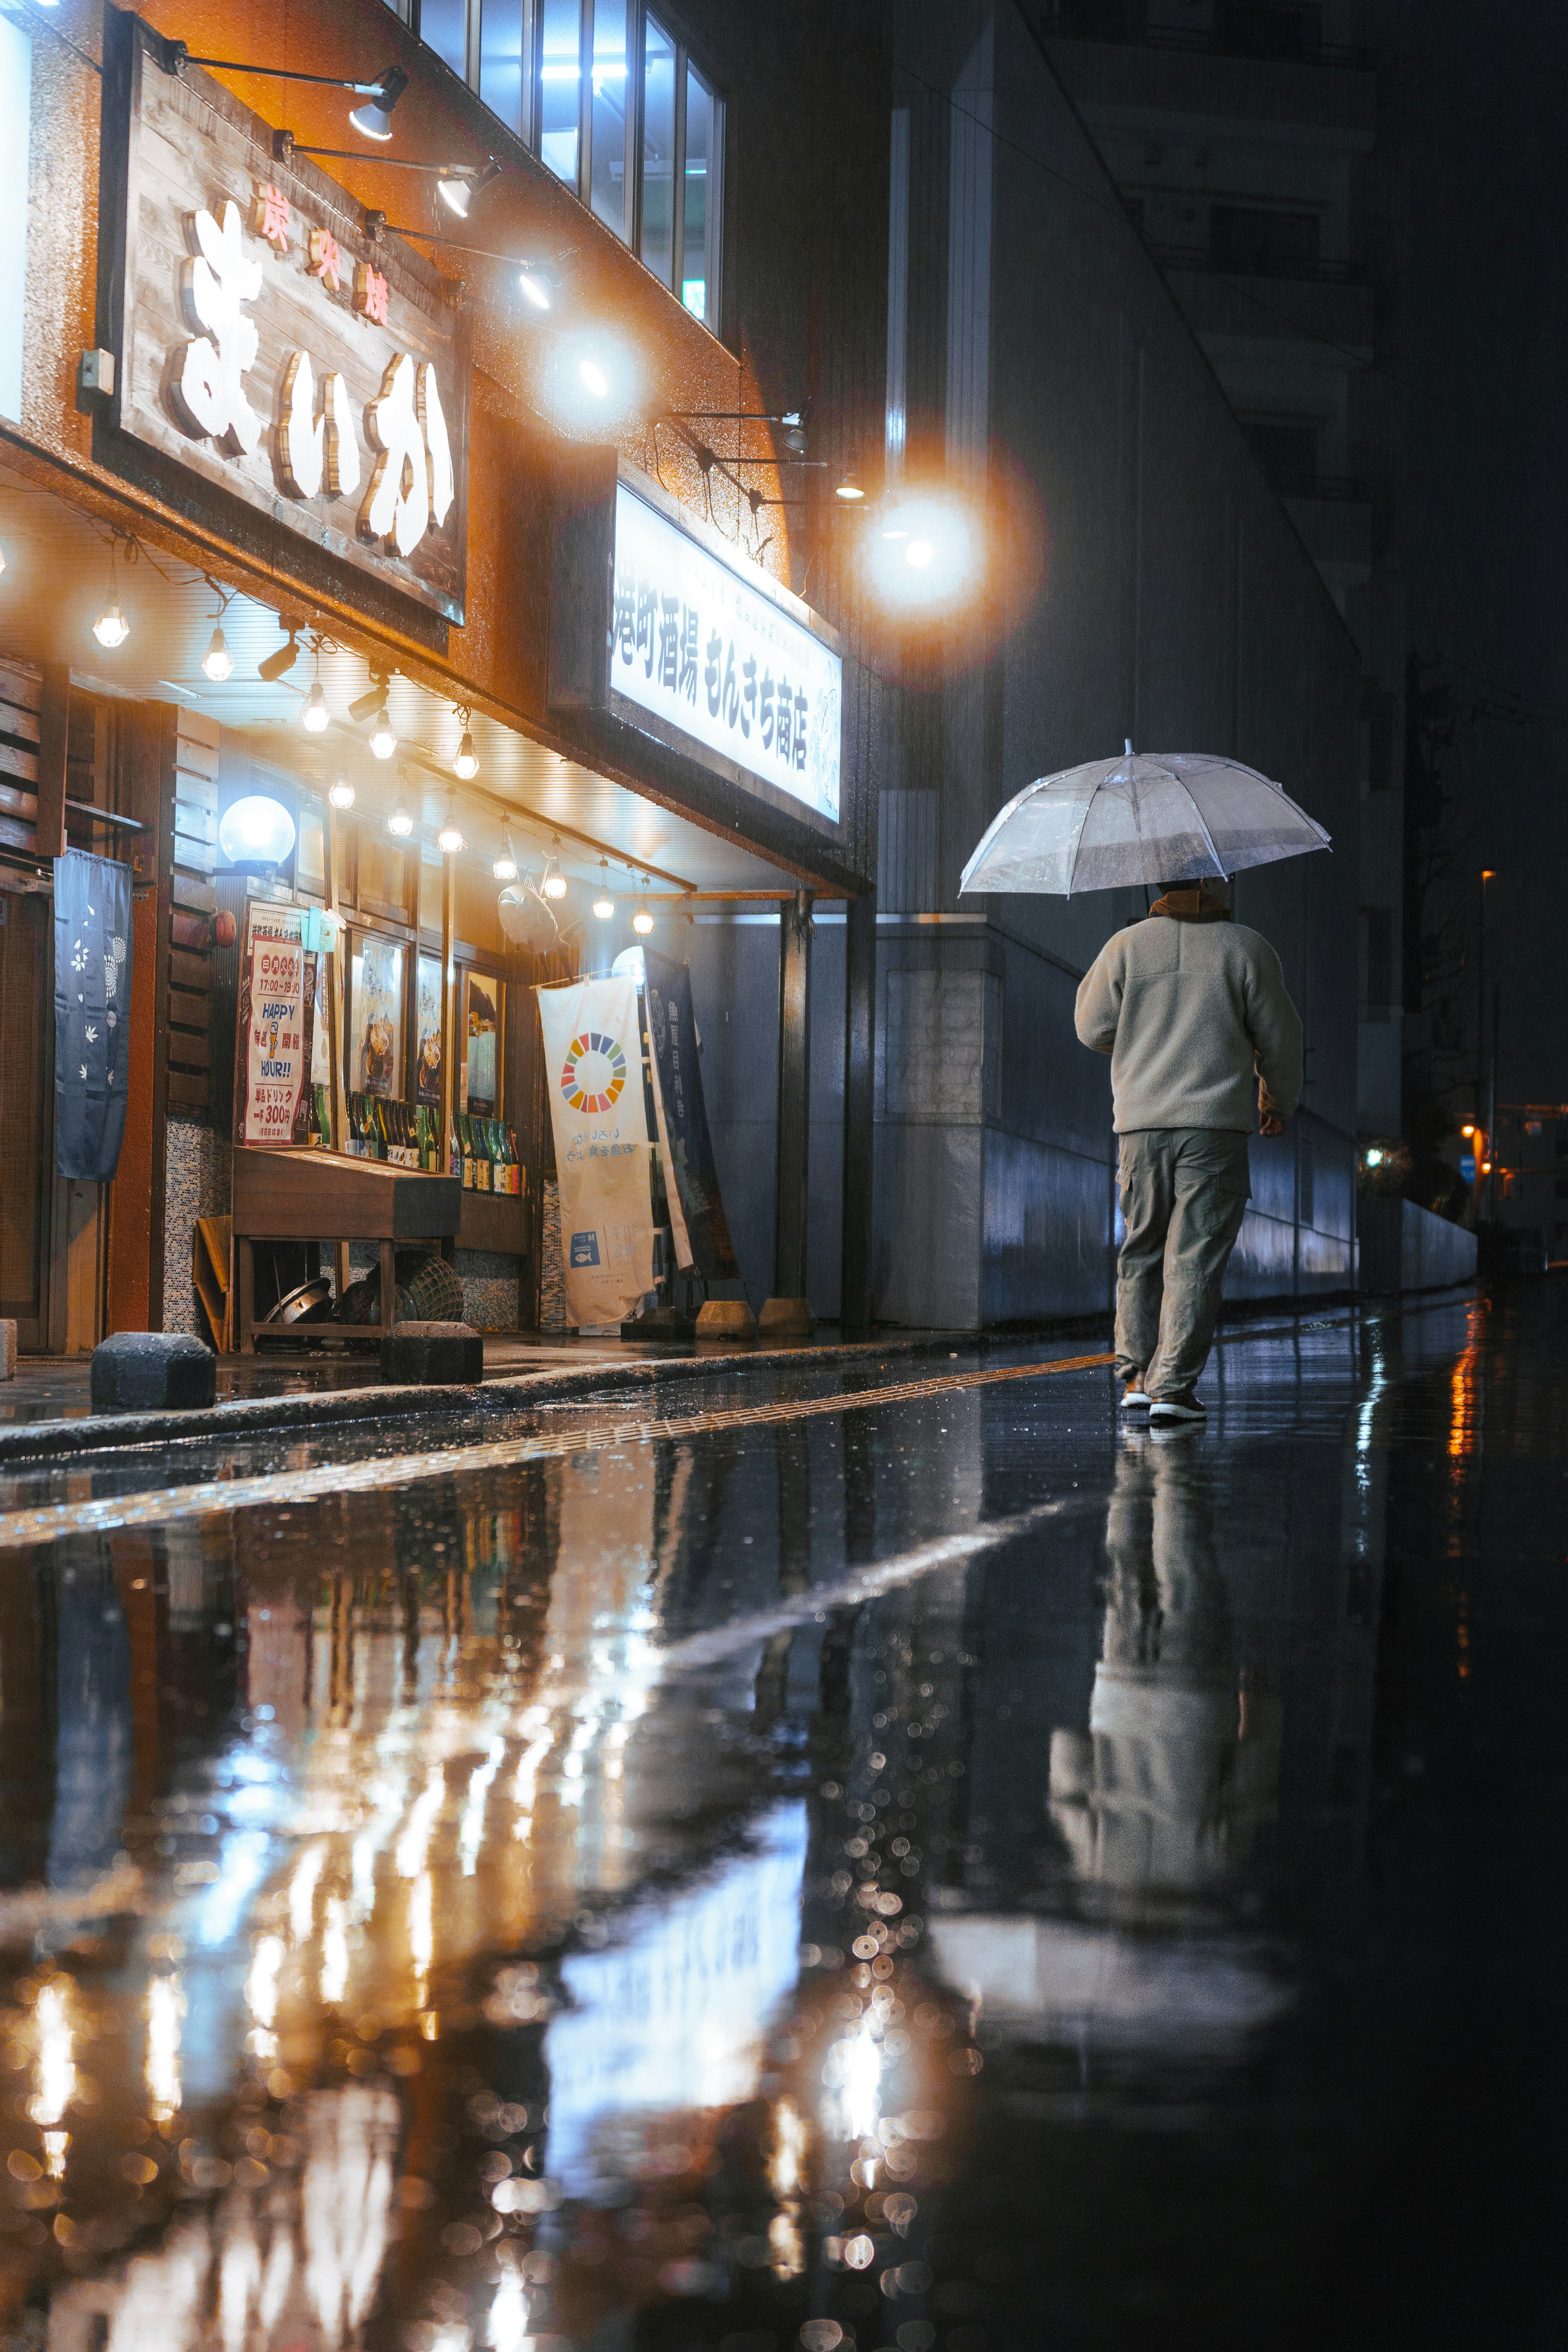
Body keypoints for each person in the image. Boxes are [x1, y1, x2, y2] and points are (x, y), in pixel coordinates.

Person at [1074, 878, 1303, 1424]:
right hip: (1215, 1127)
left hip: (1141, 1127)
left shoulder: (1125, 946)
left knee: (1142, 1248)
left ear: (1158, 886)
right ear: (1213, 883)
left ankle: (1135, 1378)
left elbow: (1090, 1028)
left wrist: (1140, 1037)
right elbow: (1282, 1040)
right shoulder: (1247, 948)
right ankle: (1173, 1390)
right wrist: (1276, 1100)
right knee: (1194, 1256)